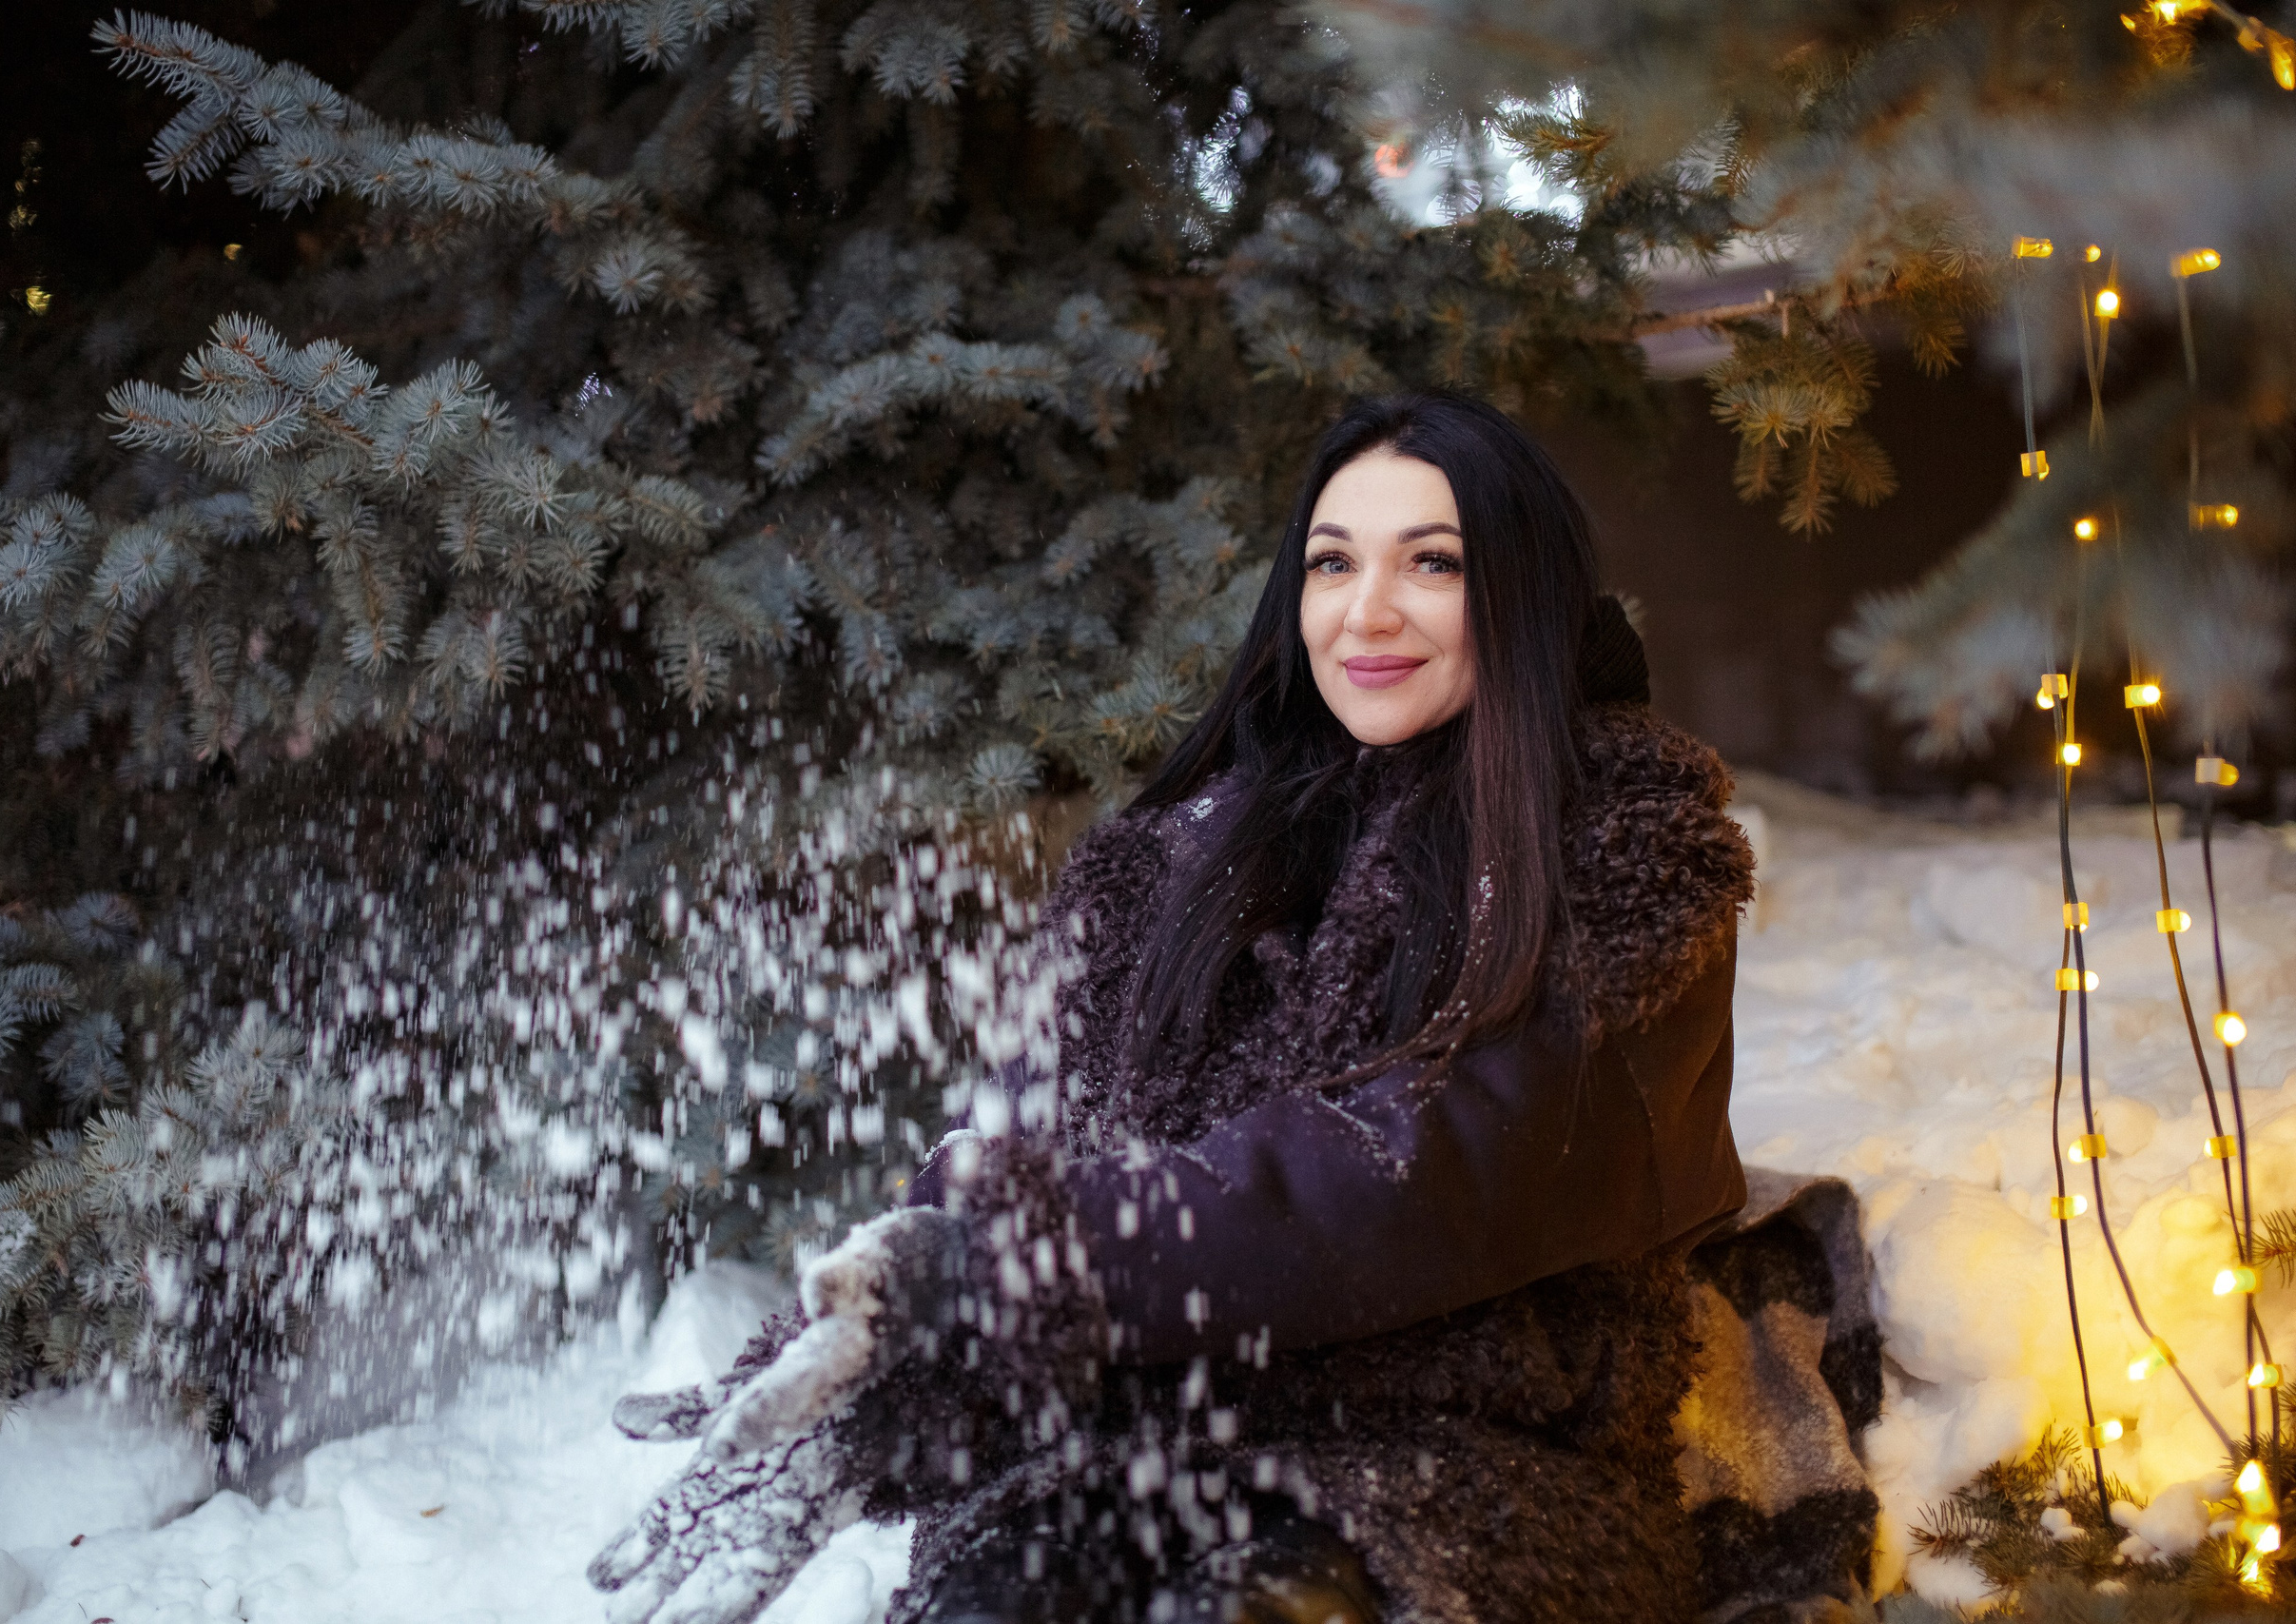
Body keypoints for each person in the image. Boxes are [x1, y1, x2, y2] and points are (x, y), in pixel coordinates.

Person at [592, 391, 1757, 1624]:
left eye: (1433, 563)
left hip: (1456, 1451)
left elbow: (1415, 1179)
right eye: (1331, 562)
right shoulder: (1180, 853)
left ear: (1525, 590)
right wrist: (894, 1358)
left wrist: (1006, 1271)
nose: (1366, 611)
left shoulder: (1626, 849)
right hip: (1129, 1432)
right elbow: (1023, 1141)